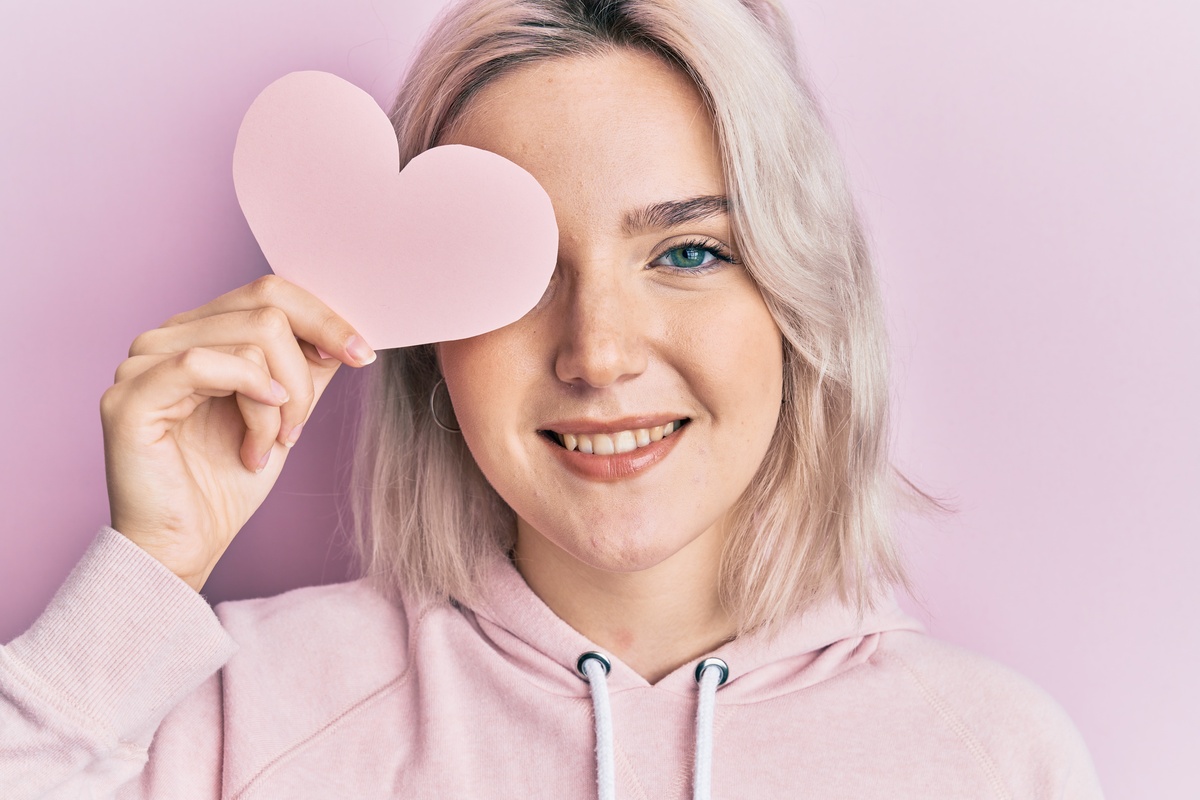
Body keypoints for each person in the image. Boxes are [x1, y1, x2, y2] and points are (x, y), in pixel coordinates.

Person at [0, 0, 1103, 797]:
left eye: (687, 251)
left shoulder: (994, 755)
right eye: (521, 272)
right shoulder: (235, 713)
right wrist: (145, 574)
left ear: (799, 301)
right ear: (429, 341)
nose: (599, 349)